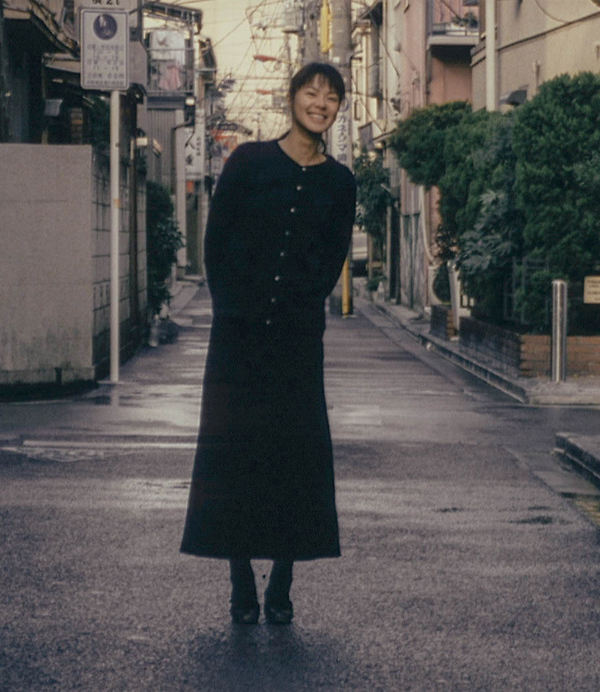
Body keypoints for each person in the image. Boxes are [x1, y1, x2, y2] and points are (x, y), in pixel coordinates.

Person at [179, 62, 357, 626]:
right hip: (237, 338)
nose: (320, 104)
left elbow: (330, 258)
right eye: (312, 92)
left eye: (331, 97)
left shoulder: (341, 182)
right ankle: (239, 581)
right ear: (292, 97)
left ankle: (282, 582)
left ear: (338, 110)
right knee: (235, 455)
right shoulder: (248, 161)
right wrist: (234, 308)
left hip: (297, 343)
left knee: (293, 459)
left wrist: (299, 310)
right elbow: (216, 244)